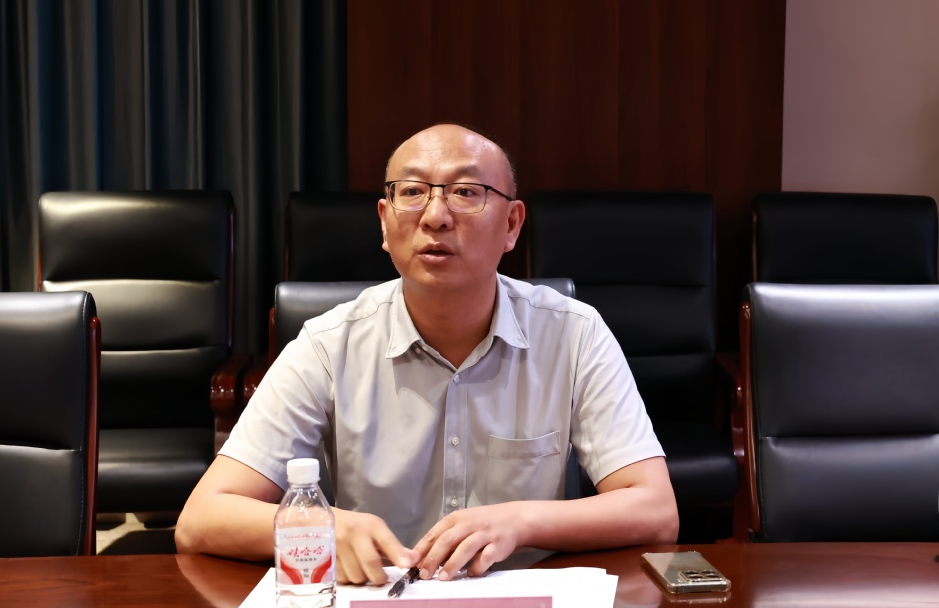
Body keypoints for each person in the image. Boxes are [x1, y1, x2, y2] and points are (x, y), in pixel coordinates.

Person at [175, 123, 679, 584]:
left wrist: (521, 520)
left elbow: (655, 509)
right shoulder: (328, 344)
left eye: (466, 192)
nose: (436, 217)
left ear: (512, 224)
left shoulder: (574, 333)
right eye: (412, 192)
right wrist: (324, 526)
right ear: (384, 220)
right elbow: (202, 519)